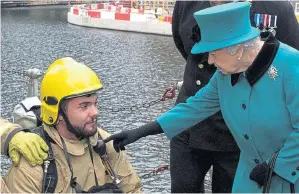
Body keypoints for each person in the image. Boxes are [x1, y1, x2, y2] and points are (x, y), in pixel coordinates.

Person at [104, 2, 299, 193]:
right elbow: (195, 107)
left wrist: (277, 167)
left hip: (287, 176)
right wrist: (141, 132)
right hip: (248, 178)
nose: (210, 61)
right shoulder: (225, 75)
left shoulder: (291, 65)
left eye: (213, 53)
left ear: (238, 50)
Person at [168, 0, 299, 192]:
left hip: (238, 133)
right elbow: (185, 47)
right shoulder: (188, 3)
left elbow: (289, 63)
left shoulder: (277, 8)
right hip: (191, 124)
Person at [1, 57, 142, 193]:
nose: (95, 112)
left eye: (95, 103)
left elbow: (133, 190)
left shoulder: (106, 144)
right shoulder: (36, 160)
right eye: (84, 106)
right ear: (59, 113)